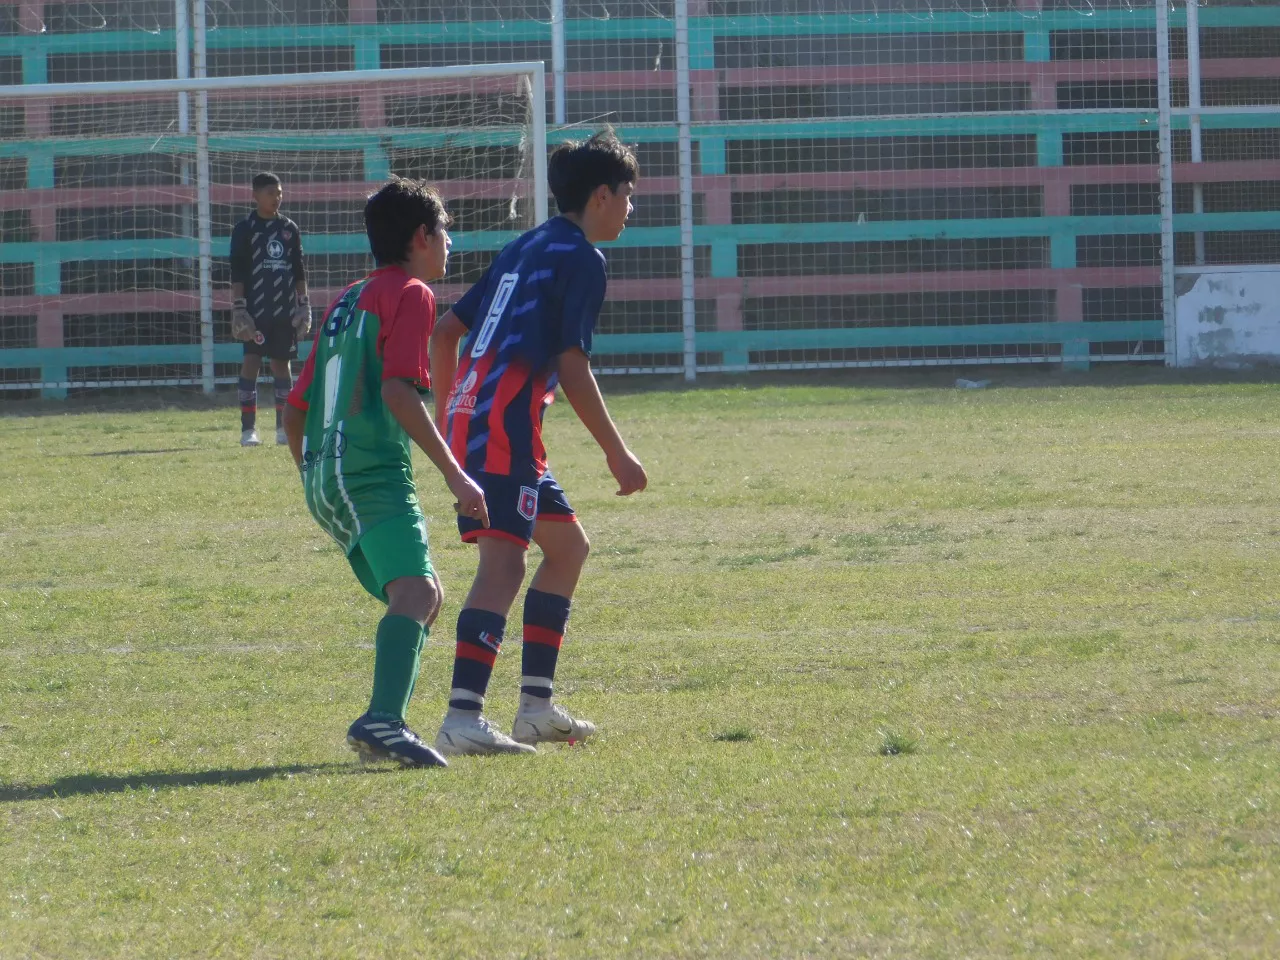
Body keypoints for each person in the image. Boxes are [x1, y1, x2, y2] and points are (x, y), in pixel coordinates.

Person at [428, 130, 648, 757]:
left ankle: (534, 708)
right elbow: (572, 366)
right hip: (503, 428)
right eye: (628, 197)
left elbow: (446, 333)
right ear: (601, 196)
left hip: (486, 423)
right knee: (503, 565)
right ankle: (463, 718)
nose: (631, 210)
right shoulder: (581, 259)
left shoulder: (524, 245)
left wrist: (452, 419)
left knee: (568, 547)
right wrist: (616, 451)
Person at [282, 178, 489, 769]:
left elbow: (295, 409)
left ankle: (386, 722)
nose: (450, 241)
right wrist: (455, 474)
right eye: (445, 230)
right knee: (418, 593)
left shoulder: (349, 298)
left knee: (424, 597)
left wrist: (315, 474)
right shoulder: (413, 293)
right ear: (421, 237)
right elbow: (400, 391)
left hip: (328, 473)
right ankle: (382, 721)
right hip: (369, 469)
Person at [229, 172, 311, 447]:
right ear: (255, 196)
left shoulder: (289, 229)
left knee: (281, 365)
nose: (276, 198)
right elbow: (238, 271)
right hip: (255, 311)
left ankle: (282, 428)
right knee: (251, 362)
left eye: (279, 193)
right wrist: (239, 307)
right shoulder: (245, 229)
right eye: (270, 193)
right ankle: (248, 430)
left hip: (283, 311)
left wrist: (304, 304)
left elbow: (299, 270)